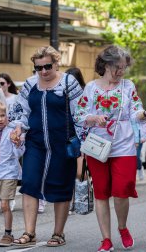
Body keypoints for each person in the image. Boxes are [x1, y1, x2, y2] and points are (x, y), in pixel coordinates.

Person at [74, 45, 146, 252]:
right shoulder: (91, 88)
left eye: (124, 68)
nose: (121, 72)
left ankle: (122, 227)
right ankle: (106, 239)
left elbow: (135, 112)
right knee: (102, 193)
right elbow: (78, 115)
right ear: (105, 64)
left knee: (122, 190)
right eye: (117, 67)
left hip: (124, 146)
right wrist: (93, 118)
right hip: (98, 147)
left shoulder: (127, 86)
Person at [8, 46, 83, 247]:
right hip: (35, 142)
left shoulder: (69, 82)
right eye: (38, 68)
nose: (43, 72)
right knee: (30, 183)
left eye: (47, 66)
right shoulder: (30, 84)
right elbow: (21, 111)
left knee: (61, 185)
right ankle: (29, 232)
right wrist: (17, 129)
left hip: (63, 143)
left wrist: (83, 144)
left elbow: (81, 114)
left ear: (57, 63)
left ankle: (58, 233)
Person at [0, 102, 24, 247]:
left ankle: (8, 233)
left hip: (8, 172)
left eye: (3, 115)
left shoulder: (11, 132)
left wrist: (18, 143)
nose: (0, 119)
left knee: (5, 205)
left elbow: (19, 153)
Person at [0, 73, 19, 212]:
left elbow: (16, 117)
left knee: (11, 164)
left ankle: (10, 197)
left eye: (2, 83)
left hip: (10, 133)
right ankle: (4, 196)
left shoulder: (15, 98)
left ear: (8, 84)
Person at [65, 67, 86, 215]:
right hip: (67, 135)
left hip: (81, 135)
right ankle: (72, 201)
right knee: (69, 171)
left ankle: (81, 198)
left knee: (80, 172)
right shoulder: (62, 93)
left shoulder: (84, 93)